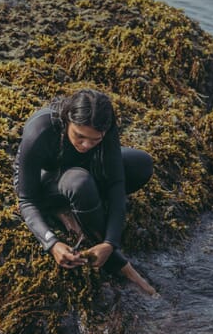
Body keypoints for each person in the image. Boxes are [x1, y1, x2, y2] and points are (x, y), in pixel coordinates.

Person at [14, 88, 155, 294]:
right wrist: (51, 243)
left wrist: (109, 242)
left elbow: (117, 184)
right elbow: (26, 200)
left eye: (95, 140)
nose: (86, 144)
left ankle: (80, 206)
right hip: (46, 182)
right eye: (79, 136)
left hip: (79, 169)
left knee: (141, 164)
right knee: (80, 183)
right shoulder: (41, 130)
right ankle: (123, 268)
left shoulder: (105, 125)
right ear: (68, 120)